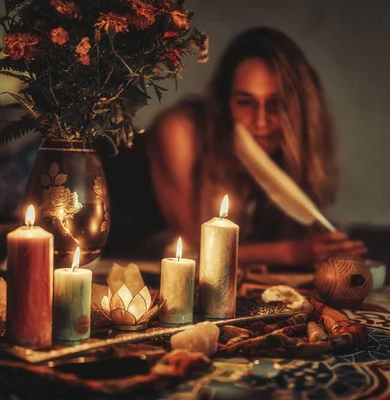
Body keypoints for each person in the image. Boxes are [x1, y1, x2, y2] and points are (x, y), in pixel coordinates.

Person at [146, 27, 367, 267]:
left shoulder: (287, 151)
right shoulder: (180, 129)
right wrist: (292, 253)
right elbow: (194, 246)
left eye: (276, 104)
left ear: (299, 107)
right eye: (245, 102)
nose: (261, 121)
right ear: (225, 101)